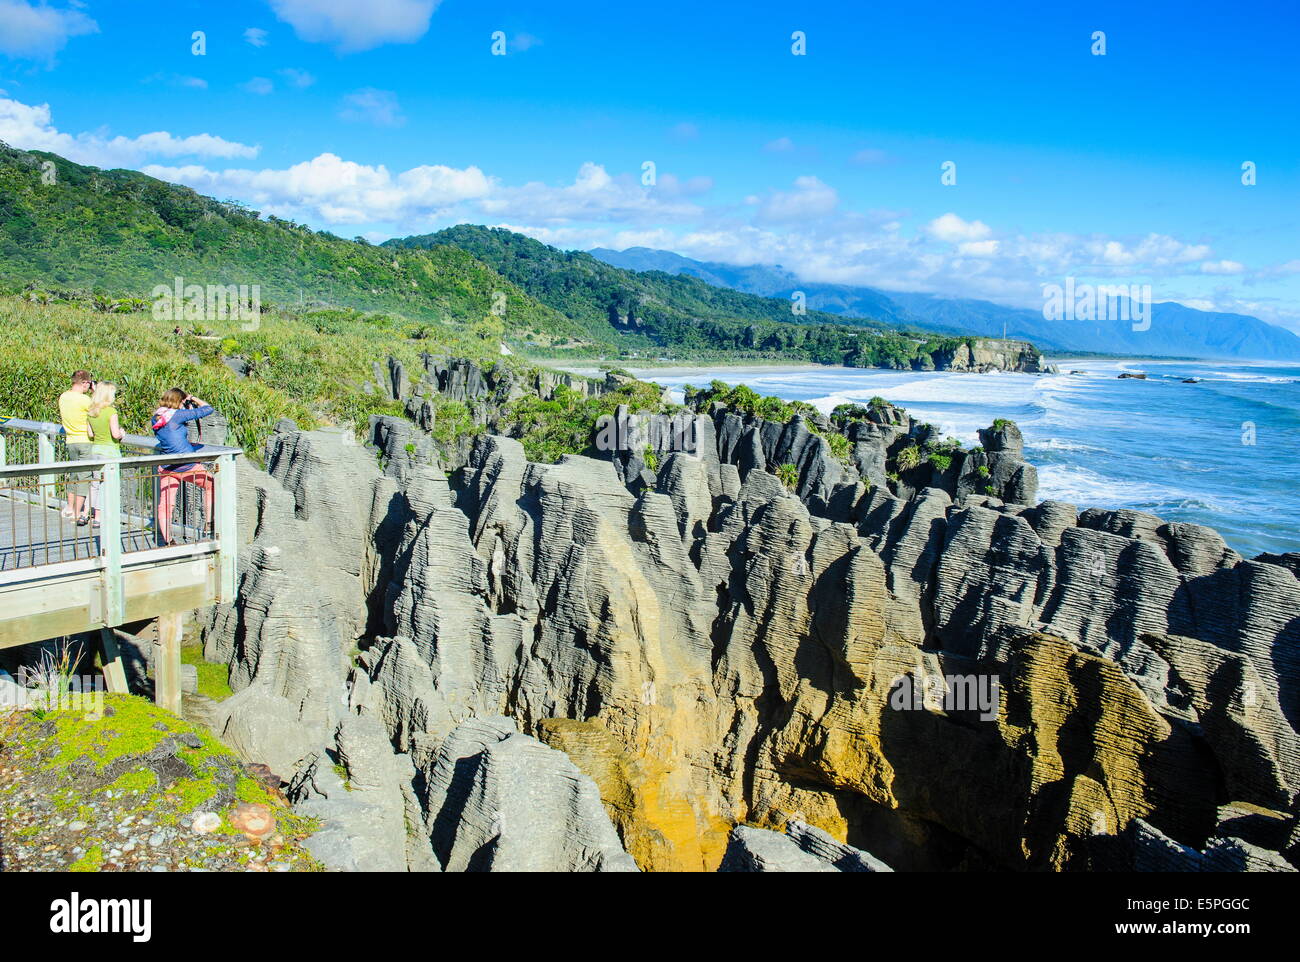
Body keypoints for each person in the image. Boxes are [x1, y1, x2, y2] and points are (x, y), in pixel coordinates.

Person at [151, 388, 216, 545]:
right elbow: (208, 409)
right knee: (212, 485)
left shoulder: (157, 416)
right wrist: (193, 399)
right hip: (187, 465)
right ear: (178, 400)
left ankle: (168, 540)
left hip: (167, 466)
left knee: (166, 504)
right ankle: (209, 524)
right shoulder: (177, 415)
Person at [85, 381, 125, 528]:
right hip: (110, 453)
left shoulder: (91, 411)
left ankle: (86, 513)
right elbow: (115, 434)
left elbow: (90, 434)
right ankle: (99, 517)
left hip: (95, 450)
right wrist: (122, 433)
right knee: (106, 485)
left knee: (95, 484)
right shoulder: (111, 412)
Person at [58, 370, 95, 525]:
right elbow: (97, 412)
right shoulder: (85, 400)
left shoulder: (63, 397)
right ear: (85, 383)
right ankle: (77, 512)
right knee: (84, 478)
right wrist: (97, 393)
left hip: (71, 441)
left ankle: (69, 507)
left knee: (74, 474)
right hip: (85, 441)